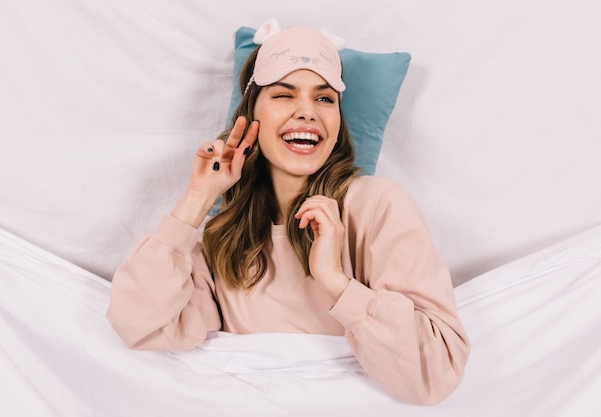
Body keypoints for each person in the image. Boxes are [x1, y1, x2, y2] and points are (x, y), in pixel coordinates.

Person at [107, 19, 470, 405]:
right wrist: (197, 198)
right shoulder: (223, 233)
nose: (307, 112)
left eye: (325, 98)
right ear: (250, 117)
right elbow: (138, 325)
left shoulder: (378, 205)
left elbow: (436, 373)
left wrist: (336, 282)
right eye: (284, 95)